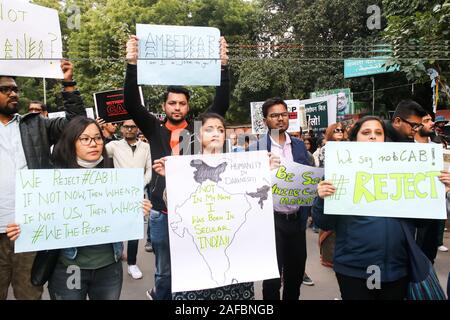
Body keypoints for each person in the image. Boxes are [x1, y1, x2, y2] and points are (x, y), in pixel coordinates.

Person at [124, 35, 230, 300]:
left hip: (194, 211)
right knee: (164, 270)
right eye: (172, 103)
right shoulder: (154, 129)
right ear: (164, 106)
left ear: (188, 106)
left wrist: (223, 67)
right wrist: (132, 64)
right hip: (161, 212)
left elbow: (222, 104)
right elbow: (131, 104)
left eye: (182, 103)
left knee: (193, 265)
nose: (177, 107)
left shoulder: (198, 130)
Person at [6, 117, 152, 300]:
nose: (94, 144)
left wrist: (137, 210)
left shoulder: (115, 176)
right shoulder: (51, 180)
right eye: (85, 139)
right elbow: (39, 219)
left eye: (98, 138)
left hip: (109, 268)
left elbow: (120, 217)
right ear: (71, 142)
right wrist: (22, 228)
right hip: (70, 268)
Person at [312, 115, 450, 300]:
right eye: (366, 132)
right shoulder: (337, 172)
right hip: (354, 268)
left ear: (385, 138)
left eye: (378, 132)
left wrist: (438, 190)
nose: (372, 137)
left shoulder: (405, 170)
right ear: (354, 139)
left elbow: (422, 221)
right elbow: (324, 223)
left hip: (395, 268)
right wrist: (321, 199)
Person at [153, 113, 280, 299]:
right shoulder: (184, 167)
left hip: (235, 256)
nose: (216, 133)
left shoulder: (242, 166)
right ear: (198, 136)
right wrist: (169, 179)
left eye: (221, 130)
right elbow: (171, 206)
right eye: (209, 129)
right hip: (197, 257)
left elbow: (256, 200)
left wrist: (266, 173)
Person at [0, 60, 85, 300]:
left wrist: (68, 83)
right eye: (6, 89)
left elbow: (76, 124)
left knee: (30, 294)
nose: (14, 93)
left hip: (29, 230)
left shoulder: (34, 125)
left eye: (15, 88)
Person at [248, 97, 311, 300]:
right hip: (270, 221)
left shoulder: (300, 146)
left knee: (295, 275)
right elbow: (248, 185)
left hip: (296, 219)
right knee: (272, 278)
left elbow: (308, 177)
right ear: (265, 120)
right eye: (274, 115)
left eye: (284, 114)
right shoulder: (255, 149)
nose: (280, 119)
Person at [104, 119, 153, 279]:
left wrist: (141, 184)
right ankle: (115, 256)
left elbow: (149, 169)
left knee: (134, 230)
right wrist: (104, 133)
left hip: (137, 193)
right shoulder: (114, 146)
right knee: (115, 227)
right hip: (117, 193)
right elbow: (99, 152)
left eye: (133, 126)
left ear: (137, 128)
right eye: (126, 126)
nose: (130, 129)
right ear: (122, 129)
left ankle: (132, 263)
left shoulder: (146, 147)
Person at [415, 113, 449, 260]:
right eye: (427, 120)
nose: (432, 123)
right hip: (414, 212)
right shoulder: (403, 148)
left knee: (428, 255)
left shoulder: (438, 146)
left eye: (431, 120)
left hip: (435, 209)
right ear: (415, 126)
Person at [318, 122, 347, 268]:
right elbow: (324, 170)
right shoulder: (325, 149)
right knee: (329, 226)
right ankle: (329, 257)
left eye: (342, 130)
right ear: (330, 132)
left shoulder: (352, 147)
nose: (340, 132)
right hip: (331, 187)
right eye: (336, 130)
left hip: (348, 188)